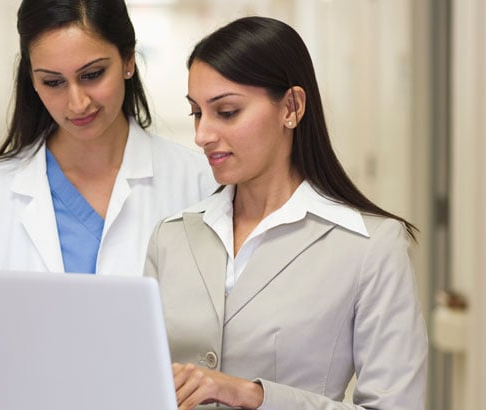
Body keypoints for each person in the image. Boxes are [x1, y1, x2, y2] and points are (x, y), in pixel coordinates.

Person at [0, 0, 217, 407]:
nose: (77, 103)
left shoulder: (200, 184)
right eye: (53, 82)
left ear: (128, 60)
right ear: (31, 80)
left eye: (92, 75)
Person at [144, 16, 428, 409]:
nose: (202, 135)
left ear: (291, 107)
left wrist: (250, 395)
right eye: (197, 112)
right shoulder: (171, 237)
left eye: (226, 112)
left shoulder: (370, 246)